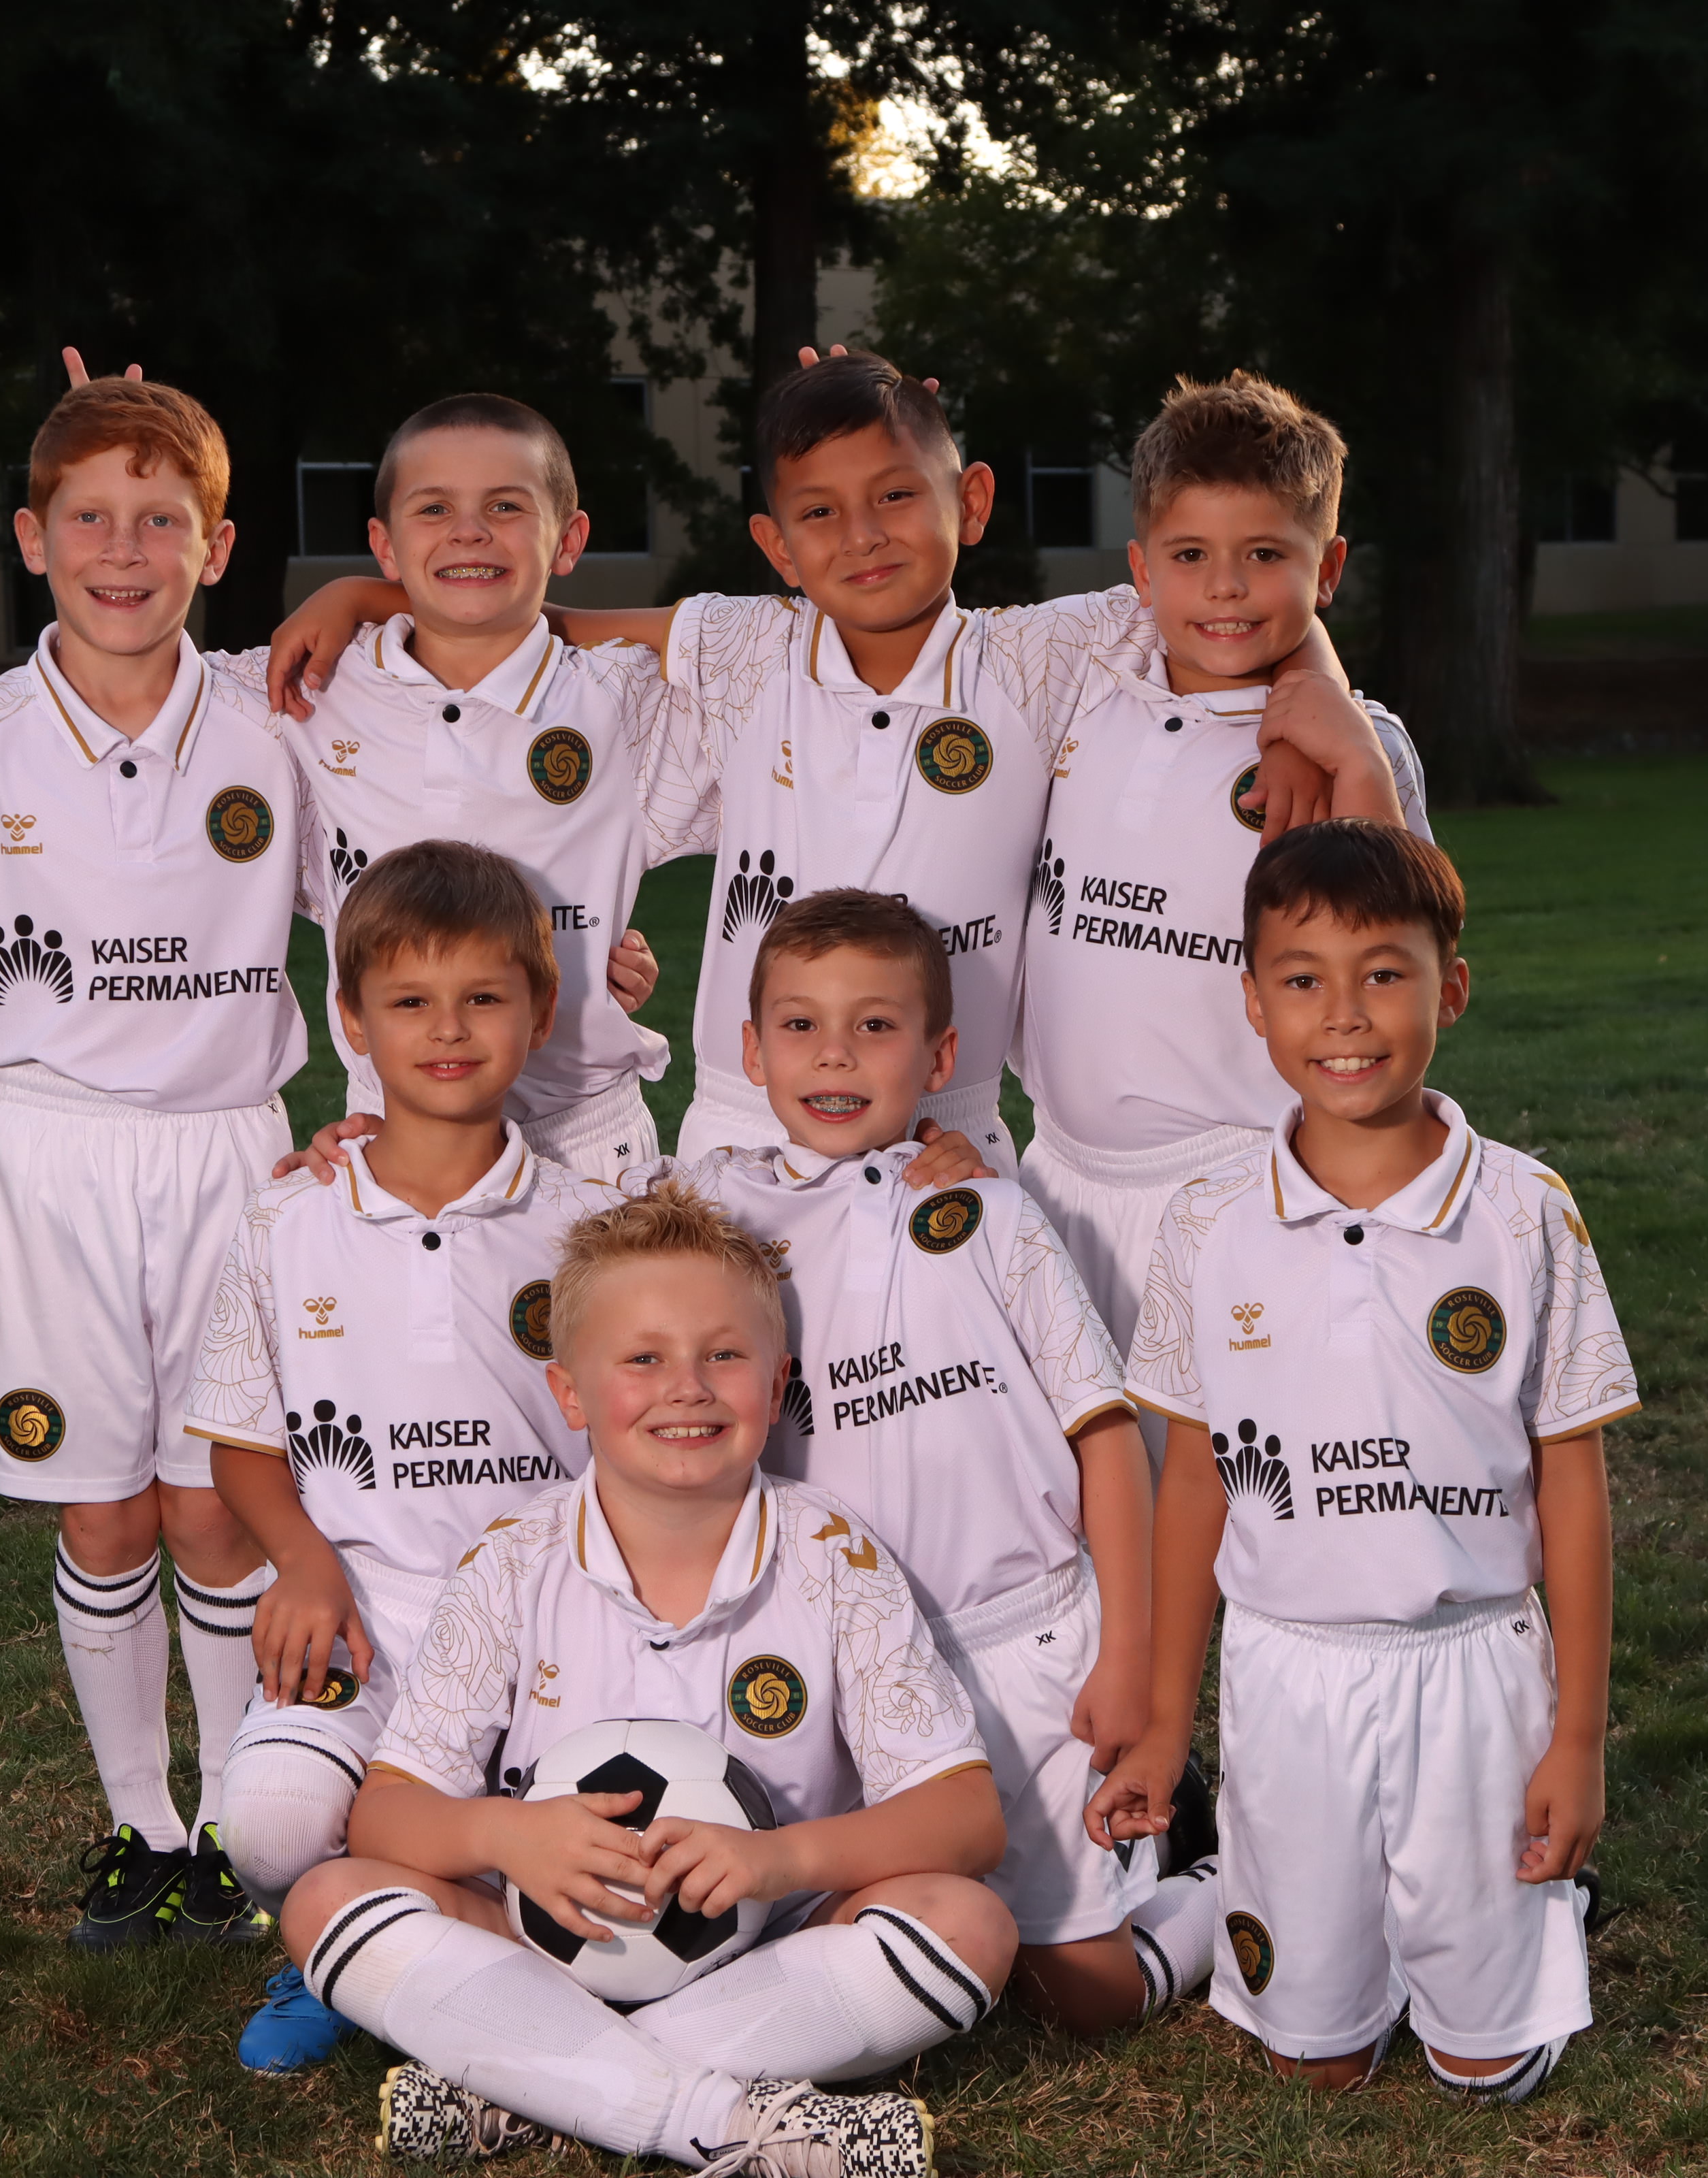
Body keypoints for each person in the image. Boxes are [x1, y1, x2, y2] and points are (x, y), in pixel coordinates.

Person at [267, 347, 1398, 1175]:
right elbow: (533, 620)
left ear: (972, 501)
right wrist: (366, 593)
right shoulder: (743, 648)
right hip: (741, 1125)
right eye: (820, 512)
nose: (861, 535)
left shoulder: (1041, 660)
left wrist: (1319, 704)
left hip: (948, 1129)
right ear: (775, 545)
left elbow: (1238, 594)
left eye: (897, 496)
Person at [282, 1186, 1013, 2174]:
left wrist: (781, 1860)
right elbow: (386, 1815)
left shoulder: (833, 1554)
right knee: (326, 1899)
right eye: (643, 1359)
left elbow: (967, 1818)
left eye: (724, 1355)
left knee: (971, 1923)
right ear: (570, 1394)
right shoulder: (513, 1559)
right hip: (540, 1952)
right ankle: (719, 2121)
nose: (688, 1388)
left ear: (777, 1382)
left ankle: (535, 2085)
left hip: (774, 1960)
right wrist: (504, 1836)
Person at [1091, 820, 1639, 2102]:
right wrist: (1166, 1726)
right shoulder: (1209, 1220)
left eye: (1385, 974)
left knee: (1486, 2074)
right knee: (1319, 2067)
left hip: (1472, 1663)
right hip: (1289, 1668)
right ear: (1253, 1000)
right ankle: (1323, 1926)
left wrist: (1579, 1739)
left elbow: (1571, 1481)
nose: (1344, 1015)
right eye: (1303, 979)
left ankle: (1502, 1927)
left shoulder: (1523, 1210)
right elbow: (1196, 1481)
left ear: (1453, 987)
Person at [0, 373, 294, 1951]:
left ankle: (241, 1828)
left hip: (236, 1157)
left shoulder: (276, 718)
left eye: (159, 521)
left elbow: (386, 908)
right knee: (103, 1514)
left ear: (215, 548)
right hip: (50, 1156)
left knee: (217, 1510)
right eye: (90, 519)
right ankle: (138, 1824)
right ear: (34, 540)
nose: (124, 551)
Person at [642, 887, 1218, 2034]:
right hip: (838, 1658)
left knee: (1080, 1999)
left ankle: (1226, 1871)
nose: (835, 1055)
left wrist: (1131, 1664)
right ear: (752, 1052)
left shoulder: (991, 1213)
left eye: (876, 1025)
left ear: (940, 1055)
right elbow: (580, 1266)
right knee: (845, 1927)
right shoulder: (708, 1210)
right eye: (800, 1026)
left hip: (1023, 1641)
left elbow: (1106, 1441)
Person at [180, 841, 617, 2071]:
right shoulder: (290, 1215)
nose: (449, 1031)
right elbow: (242, 1444)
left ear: (540, 1012)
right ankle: (334, 1940)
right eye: (411, 1001)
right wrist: (304, 1563)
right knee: (268, 1825)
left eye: (483, 998)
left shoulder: (588, 1227)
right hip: (363, 1614)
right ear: (353, 1021)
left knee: (601, 1843)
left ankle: (396, 1932)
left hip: (541, 1622)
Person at [1017, 372, 1430, 1371]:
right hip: (1053, 1181)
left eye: (1266, 556)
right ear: (1141, 568)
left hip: (1237, 1190)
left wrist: (1340, 742)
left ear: (1328, 568)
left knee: (1228, 1461)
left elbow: (1393, 956)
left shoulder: (1354, 750)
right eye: (1191, 555)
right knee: (1081, 1463)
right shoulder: (1089, 686)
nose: (1226, 587)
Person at [259, 390, 684, 1182]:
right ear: (384, 544)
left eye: (505, 506)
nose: (469, 531)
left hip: (587, 1141)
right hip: (395, 1132)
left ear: (569, 539)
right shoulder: (311, 690)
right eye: (435, 508)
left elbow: (784, 639)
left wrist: (364, 592)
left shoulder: (622, 698)